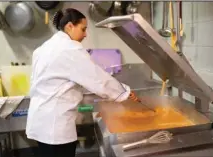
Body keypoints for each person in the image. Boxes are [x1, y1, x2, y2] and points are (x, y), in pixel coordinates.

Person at [26, 8, 139, 157]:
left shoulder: (44, 48)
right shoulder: (69, 49)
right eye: (83, 29)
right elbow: (97, 78)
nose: (85, 34)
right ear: (70, 26)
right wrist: (124, 93)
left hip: (40, 121)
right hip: (55, 127)